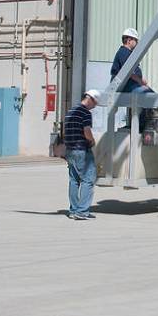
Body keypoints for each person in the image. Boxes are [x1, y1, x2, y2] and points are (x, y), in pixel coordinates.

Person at [64, 90, 99, 220]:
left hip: (70, 150)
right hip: (82, 150)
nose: (94, 107)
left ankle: (73, 210)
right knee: (88, 180)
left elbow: (65, 131)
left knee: (74, 180)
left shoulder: (70, 112)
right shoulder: (85, 113)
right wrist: (92, 141)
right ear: (90, 99)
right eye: (94, 104)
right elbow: (86, 131)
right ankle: (82, 211)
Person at [111, 27, 153, 93]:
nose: (137, 43)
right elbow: (129, 71)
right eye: (136, 40)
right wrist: (141, 81)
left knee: (149, 93)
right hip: (126, 86)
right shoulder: (124, 53)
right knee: (148, 94)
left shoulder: (127, 53)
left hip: (131, 85)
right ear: (129, 40)